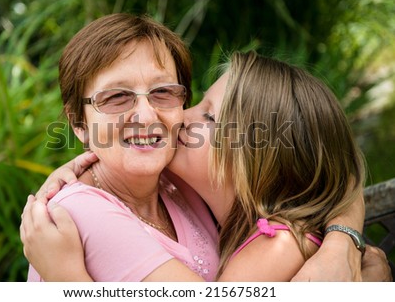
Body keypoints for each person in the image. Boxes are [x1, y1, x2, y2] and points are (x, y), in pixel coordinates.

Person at [21, 33, 390, 280]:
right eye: (116, 98)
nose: (182, 117)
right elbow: (340, 175)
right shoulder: (170, 186)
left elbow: (341, 175)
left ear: (262, 159)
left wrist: (66, 281)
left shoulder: (280, 244)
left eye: (209, 116)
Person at [25, 12, 219, 282]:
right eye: (116, 97)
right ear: (79, 124)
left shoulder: (177, 182)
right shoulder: (80, 212)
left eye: (163, 92)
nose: (146, 116)